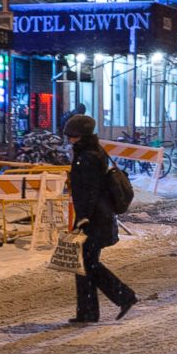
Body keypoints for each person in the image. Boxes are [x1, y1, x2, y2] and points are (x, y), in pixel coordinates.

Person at [63, 114, 138, 323]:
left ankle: (124, 296)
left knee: (87, 263)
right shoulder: (93, 152)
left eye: (73, 135)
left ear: (82, 135)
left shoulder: (86, 157)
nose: (70, 139)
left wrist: (83, 217)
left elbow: (88, 191)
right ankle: (88, 312)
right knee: (85, 262)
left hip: (93, 218)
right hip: (97, 215)